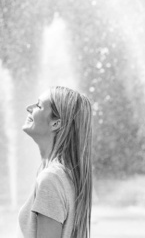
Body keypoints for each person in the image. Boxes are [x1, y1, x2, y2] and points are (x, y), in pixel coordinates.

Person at [18, 86, 93, 238]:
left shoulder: (51, 179)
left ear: (55, 124)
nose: (29, 108)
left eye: (38, 105)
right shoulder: (65, 174)